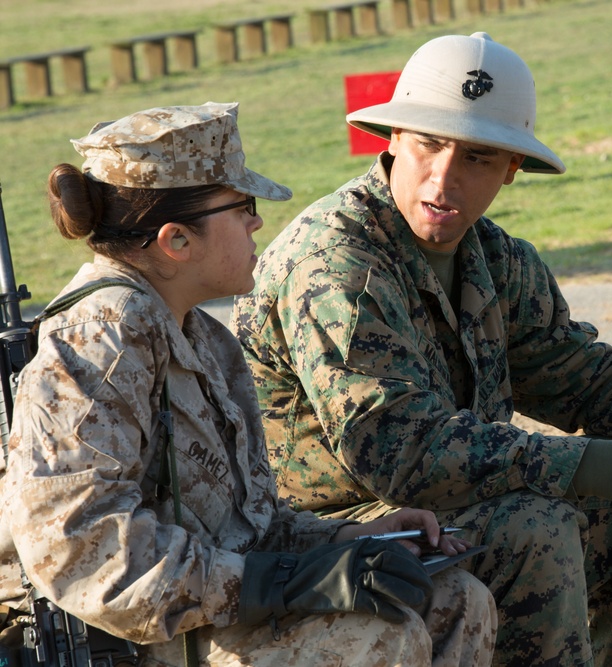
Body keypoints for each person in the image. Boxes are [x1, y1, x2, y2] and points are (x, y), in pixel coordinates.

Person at [232, 33, 612, 666]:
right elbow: (396, 450)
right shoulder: (337, 265)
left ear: (510, 170)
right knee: (536, 529)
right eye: (428, 144)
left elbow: (585, 377)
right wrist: (608, 465)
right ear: (390, 139)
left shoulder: (494, 259)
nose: (443, 178)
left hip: (447, 505)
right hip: (330, 531)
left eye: (475, 158)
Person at [0, 102, 496, 667]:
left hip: (204, 607)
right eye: (243, 208)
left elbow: (249, 528)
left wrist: (351, 544)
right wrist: (281, 582)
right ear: (176, 240)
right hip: (132, 635)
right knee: (379, 636)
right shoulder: (100, 340)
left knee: (455, 599)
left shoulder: (203, 339)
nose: (257, 223)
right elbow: (84, 555)